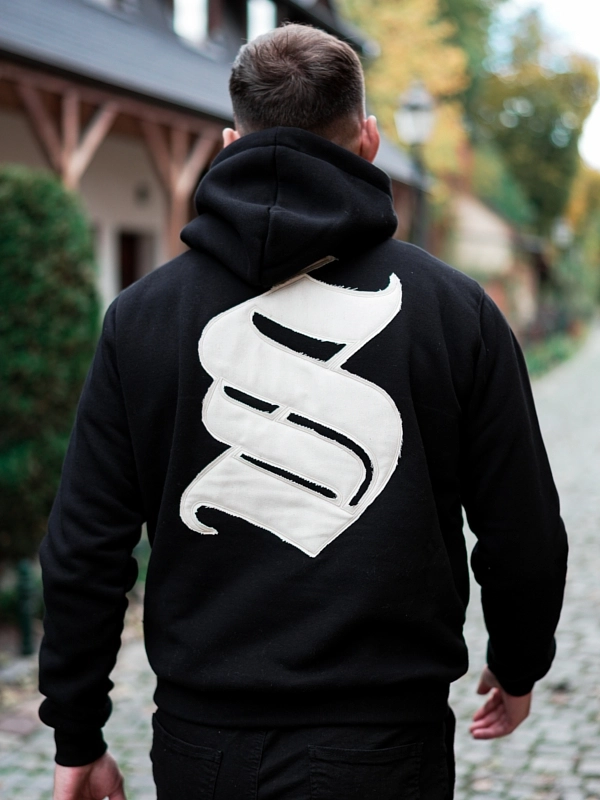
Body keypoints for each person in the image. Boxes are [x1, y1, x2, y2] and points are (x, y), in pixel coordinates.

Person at [39, 23, 568, 800]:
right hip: (387, 748)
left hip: (204, 751)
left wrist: (77, 732)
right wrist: (519, 663)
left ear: (230, 143)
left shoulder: (141, 317)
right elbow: (524, 528)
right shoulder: (456, 312)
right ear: (370, 141)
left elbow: (85, 548)